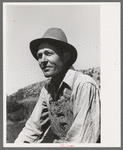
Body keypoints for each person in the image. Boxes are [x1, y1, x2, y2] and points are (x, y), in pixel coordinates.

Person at [14, 28, 101, 143]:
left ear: (65, 57)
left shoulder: (84, 85)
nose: (42, 60)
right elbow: (32, 130)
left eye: (48, 54)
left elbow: (81, 139)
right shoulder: (47, 90)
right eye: (39, 56)